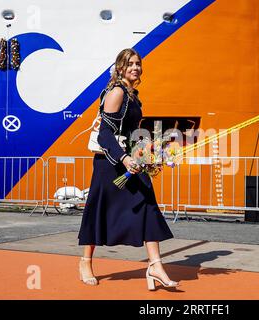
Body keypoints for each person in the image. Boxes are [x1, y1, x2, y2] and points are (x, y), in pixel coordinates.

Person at [77, 48, 179, 290]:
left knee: (148, 204)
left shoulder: (134, 95)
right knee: (98, 210)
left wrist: (150, 150)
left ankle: (155, 265)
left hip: (132, 161)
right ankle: (85, 261)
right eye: (130, 64)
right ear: (120, 68)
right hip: (110, 164)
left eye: (138, 64)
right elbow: (104, 134)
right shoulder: (117, 93)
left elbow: (130, 133)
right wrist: (124, 158)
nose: (135, 67)